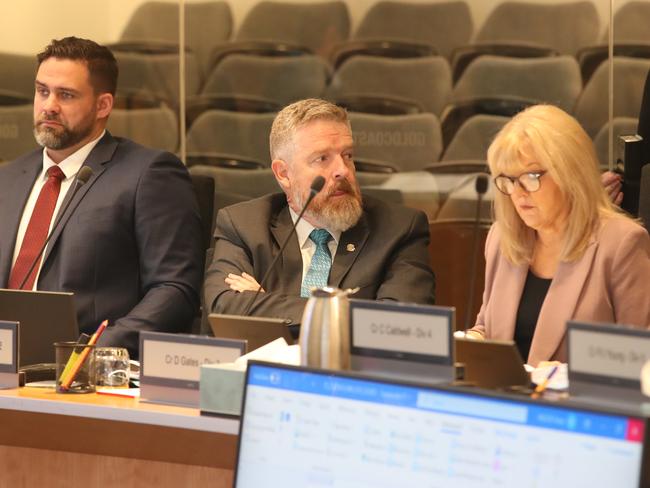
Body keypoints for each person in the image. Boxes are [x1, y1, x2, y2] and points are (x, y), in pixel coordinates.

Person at [0, 37, 203, 358]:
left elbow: (174, 289)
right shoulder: (8, 178)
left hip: (88, 368)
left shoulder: (148, 174)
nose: (48, 105)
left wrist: (101, 347)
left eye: (65, 95)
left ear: (103, 105)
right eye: (42, 91)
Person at [204, 98, 435, 325]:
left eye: (348, 155)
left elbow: (397, 323)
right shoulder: (243, 225)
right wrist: (345, 313)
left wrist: (264, 302)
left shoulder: (399, 230)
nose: (342, 171)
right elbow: (224, 306)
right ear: (283, 174)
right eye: (322, 158)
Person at [468, 104, 650, 366]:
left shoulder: (622, 244)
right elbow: (488, 326)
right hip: (505, 402)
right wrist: (471, 339)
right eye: (508, 179)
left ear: (570, 173)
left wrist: (567, 378)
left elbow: (640, 360)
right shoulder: (502, 237)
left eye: (531, 176)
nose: (518, 193)